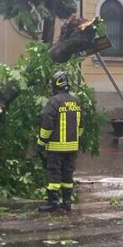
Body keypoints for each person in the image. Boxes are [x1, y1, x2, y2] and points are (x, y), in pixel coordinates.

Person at [37, 71, 83, 212]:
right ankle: (67, 201)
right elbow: (81, 125)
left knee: (54, 174)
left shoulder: (54, 102)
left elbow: (47, 126)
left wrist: (41, 143)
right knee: (68, 174)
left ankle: (53, 202)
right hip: (72, 147)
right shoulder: (76, 101)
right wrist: (74, 139)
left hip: (56, 148)